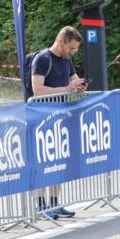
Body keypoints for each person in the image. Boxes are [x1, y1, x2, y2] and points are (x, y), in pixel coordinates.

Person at [31, 26, 88, 220]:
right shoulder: (42, 59)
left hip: (60, 116)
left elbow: (73, 82)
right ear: (61, 41)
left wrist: (79, 87)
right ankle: (40, 205)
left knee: (58, 160)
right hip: (41, 117)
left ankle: (55, 203)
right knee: (43, 161)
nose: (72, 52)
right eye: (71, 48)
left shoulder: (67, 61)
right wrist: (65, 88)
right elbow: (37, 89)